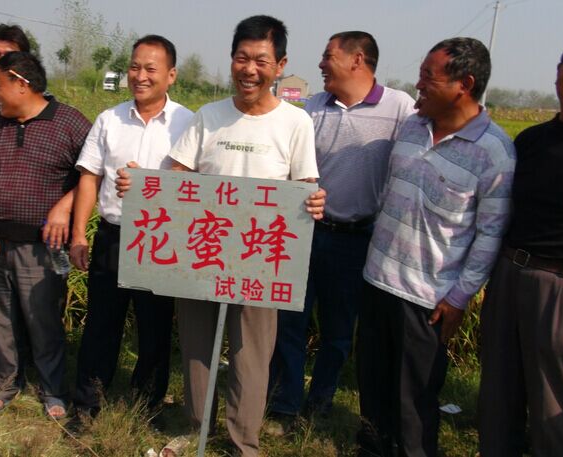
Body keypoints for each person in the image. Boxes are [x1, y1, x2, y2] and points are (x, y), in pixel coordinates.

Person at [118, 16, 326, 457]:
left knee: (252, 353)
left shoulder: (295, 123)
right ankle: (197, 428)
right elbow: (175, 176)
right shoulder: (208, 117)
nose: (249, 69)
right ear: (231, 60)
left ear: (280, 65)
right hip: (202, 251)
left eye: (261, 61)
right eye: (241, 58)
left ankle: (242, 441)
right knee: (197, 346)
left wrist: (313, 202)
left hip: (261, 257)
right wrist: (140, 184)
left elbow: (305, 186)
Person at [357, 37, 515, 457]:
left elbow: (490, 234)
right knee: (373, 385)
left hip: (427, 299)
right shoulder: (413, 127)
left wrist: (459, 297)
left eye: (429, 76)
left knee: (414, 401)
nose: (419, 84)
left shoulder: (494, 153)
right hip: (377, 280)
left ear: (464, 84)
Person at [268, 31, 415, 424]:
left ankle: (320, 401)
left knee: (338, 329)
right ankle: (284, 403)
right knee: (290, 320)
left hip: (357, 238)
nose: (320, 64)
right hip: (304, 231)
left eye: (327, 56)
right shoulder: (312, 108)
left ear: (357, 60)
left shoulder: (399, 108)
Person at [70, 35, 192, 419]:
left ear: (171, 75)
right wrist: (78, 233)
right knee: (101, 323)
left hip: (162, 239)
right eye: (134, 67)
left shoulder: (189, 123)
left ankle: (146, 405)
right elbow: (89, 177)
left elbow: (195, 185)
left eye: (150, 69)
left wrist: (149, 185)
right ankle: (88, 402)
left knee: (155, 326)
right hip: (113, 235)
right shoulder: (109, 120)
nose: (140, 76)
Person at [478, 32, 563, 457]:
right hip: (510, 275)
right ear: (558, 72)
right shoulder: (531, 140)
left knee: (558, 409)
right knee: (498, 397)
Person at [0, 51, 91, 418]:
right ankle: (5, 383)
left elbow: (93, 174)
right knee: (1, 319)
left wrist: (65, 206)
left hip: (42, 247)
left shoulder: (69, 122)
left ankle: (53, 390)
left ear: (21, 84)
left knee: (43, 321)